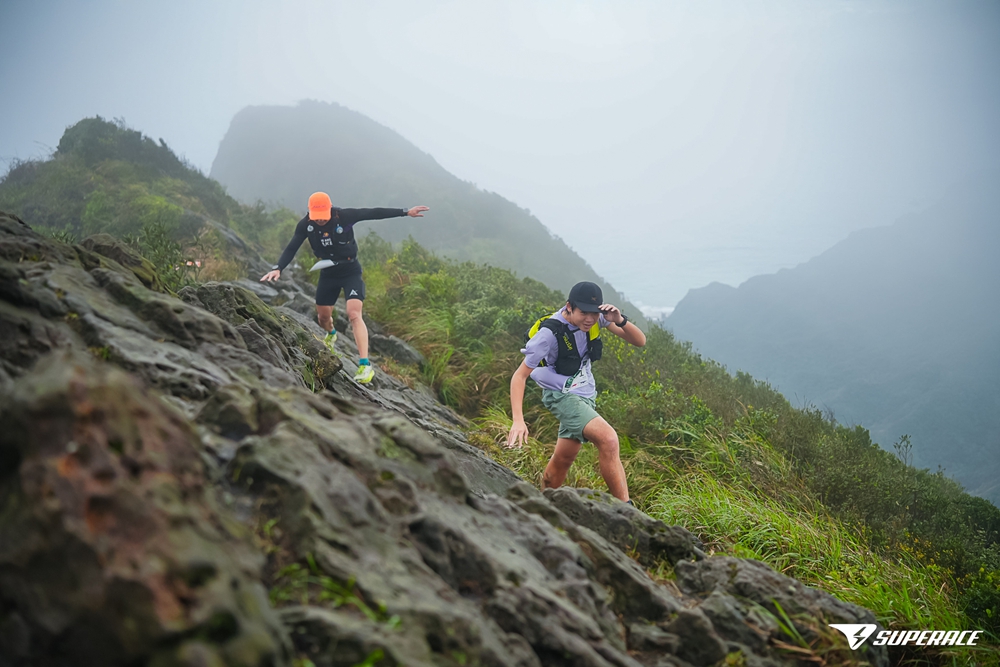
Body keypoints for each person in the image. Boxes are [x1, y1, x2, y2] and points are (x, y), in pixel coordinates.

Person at [260, 191, 429, 384]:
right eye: (317, 218)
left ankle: (365, 365)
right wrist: (278, 268)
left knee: (354, 313)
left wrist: (405, 212)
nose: (321, 221)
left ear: (330, 209)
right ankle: (331, 334)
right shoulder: (306, 225)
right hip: (328, 273)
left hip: (350, 271)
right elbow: (292, 247)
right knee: (323, 317)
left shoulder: (345, 216)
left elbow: (373, 212)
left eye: (323, 217)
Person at [506, 281, 645, 502]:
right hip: (561, 395)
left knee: (563, 459)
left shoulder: (598, 320)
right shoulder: (549, 334)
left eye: (593, 312)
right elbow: (519, 376)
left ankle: (542, 504)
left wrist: (619, 320)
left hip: (585, 394)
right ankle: (628, 512)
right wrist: (518, 420)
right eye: (583, 313)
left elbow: (639, 341)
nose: (589, 319)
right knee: (609, 440)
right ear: (569, 307)